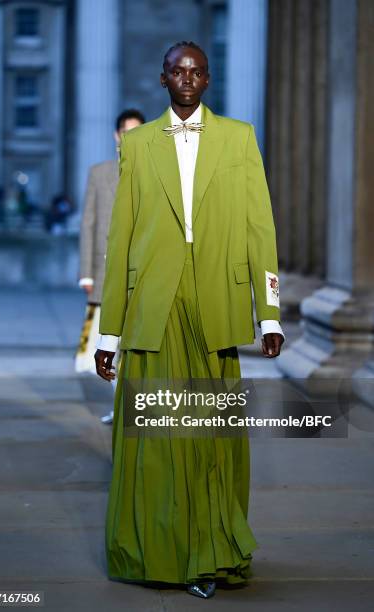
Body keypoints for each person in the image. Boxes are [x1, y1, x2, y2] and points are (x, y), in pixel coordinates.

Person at [95, 41, 285, 599]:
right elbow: (122, 235)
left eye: (197, 71)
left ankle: (210, 553)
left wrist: (268, 314)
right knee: (155, 436)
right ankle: (153, 553)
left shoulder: (239, 137)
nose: (187, 78)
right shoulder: (136, 145)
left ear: (208, 80)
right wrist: (110, 329)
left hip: (216, 303)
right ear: (162, 79)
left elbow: (260, 230)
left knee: (207, 435)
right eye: (178, 70)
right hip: (153, 303)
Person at [76, 109, 145, 423]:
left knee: (137, 345)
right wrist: (86, 273)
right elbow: (88, 223)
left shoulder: (153, 172)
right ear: (117, 135)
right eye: (126, 131)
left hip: (143, 272)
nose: (130, 137)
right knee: (107, 343)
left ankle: (133, 406)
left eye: (137, 131)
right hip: (105, 273)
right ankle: (122, 405)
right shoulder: (99, 172)